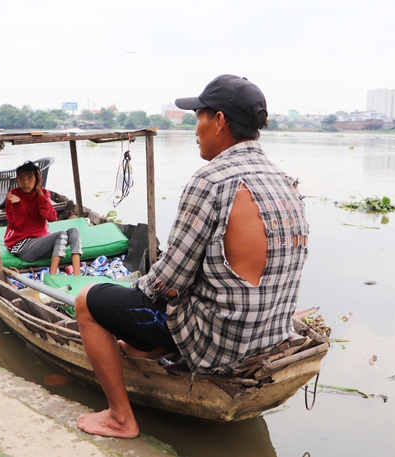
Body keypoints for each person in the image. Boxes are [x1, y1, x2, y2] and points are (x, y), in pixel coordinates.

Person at [74, 74, 309, 438]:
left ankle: (121, 417)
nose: (195, 127)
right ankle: (148, 348)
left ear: (219, 120)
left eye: (199, 116)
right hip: (272, 331)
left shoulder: (212, 180)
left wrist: (127, 293)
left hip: (220, 340)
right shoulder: (285, 180)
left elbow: (167, 282)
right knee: (140, 321)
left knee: (89, 302)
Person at [4, 160, 82, 275]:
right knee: (61, 234)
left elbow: (52, 217)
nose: (25, 182)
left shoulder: (43, 193)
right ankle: (52, 275)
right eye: (21, 178)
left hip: (40, 242)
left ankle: (77, 274)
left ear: (37, 179)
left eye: (30, 178)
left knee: (74, 231)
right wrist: (17, 205)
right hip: (21, 245)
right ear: (17, 180)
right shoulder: (13, 196)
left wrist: (40, 192)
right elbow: (17, 225)